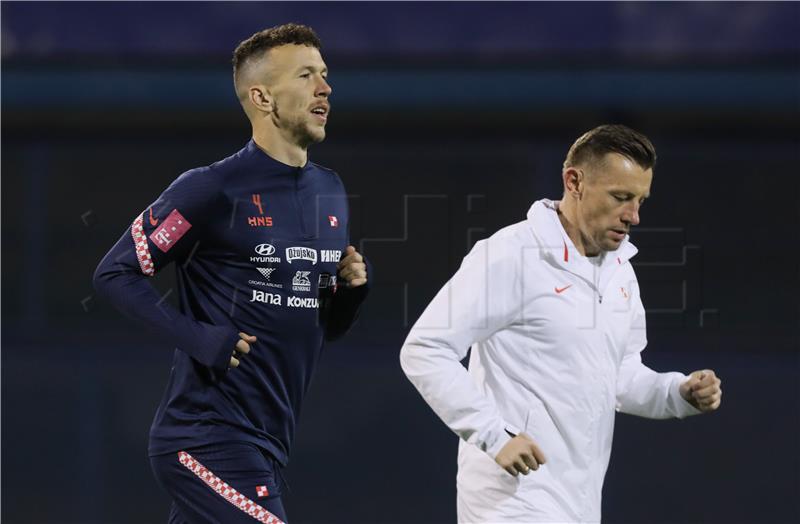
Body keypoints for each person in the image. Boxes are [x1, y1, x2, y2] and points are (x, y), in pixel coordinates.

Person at [94, 23, 369, 524]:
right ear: (262, 97)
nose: (325, 87)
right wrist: (200, 337)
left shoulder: (330, 191)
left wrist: (349, 296)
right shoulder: (210, 189)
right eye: (306, 75)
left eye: (325, 74)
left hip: (271, 442)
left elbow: (319, 326)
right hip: (206, 435)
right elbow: (115, 273)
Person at [399, 125, 722, 523]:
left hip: (579, 505)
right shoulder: (510, 255)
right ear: (574, 182)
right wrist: (492, 434)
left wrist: (677, 392)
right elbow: (425, 349)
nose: (634, 215)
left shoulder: (620, 272)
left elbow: (618, 377)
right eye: (621, 197)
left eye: (640, 200)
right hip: (510, 503)